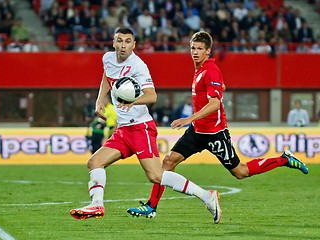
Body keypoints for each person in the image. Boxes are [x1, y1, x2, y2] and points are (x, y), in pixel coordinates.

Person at [127, 31, 308, 221]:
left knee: (241, 172)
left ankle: (284, 159)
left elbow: (214, 104)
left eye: (199, 49)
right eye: (193, 48)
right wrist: (217, 91)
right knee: (168, 162)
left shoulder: (210, 70)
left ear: (208, 51)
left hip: (215, 134)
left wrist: (189, 118)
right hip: (197, 131)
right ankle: (151, 206)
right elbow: (218, 89)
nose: (195, 52)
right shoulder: (201, 70)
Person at [69, 27, 221, 223]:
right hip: (123, 130)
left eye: (127, 41)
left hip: (141, 128)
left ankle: (207, 197)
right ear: (114, 42)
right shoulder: (107, 58)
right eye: (120, 40)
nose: (123, 45)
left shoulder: (138, 66)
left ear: (134, 45)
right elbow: (107, 77)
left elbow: (152, 95)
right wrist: (100, 100)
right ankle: (97, 204)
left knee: (156, 176)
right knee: (94, 162)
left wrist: (132, 102)